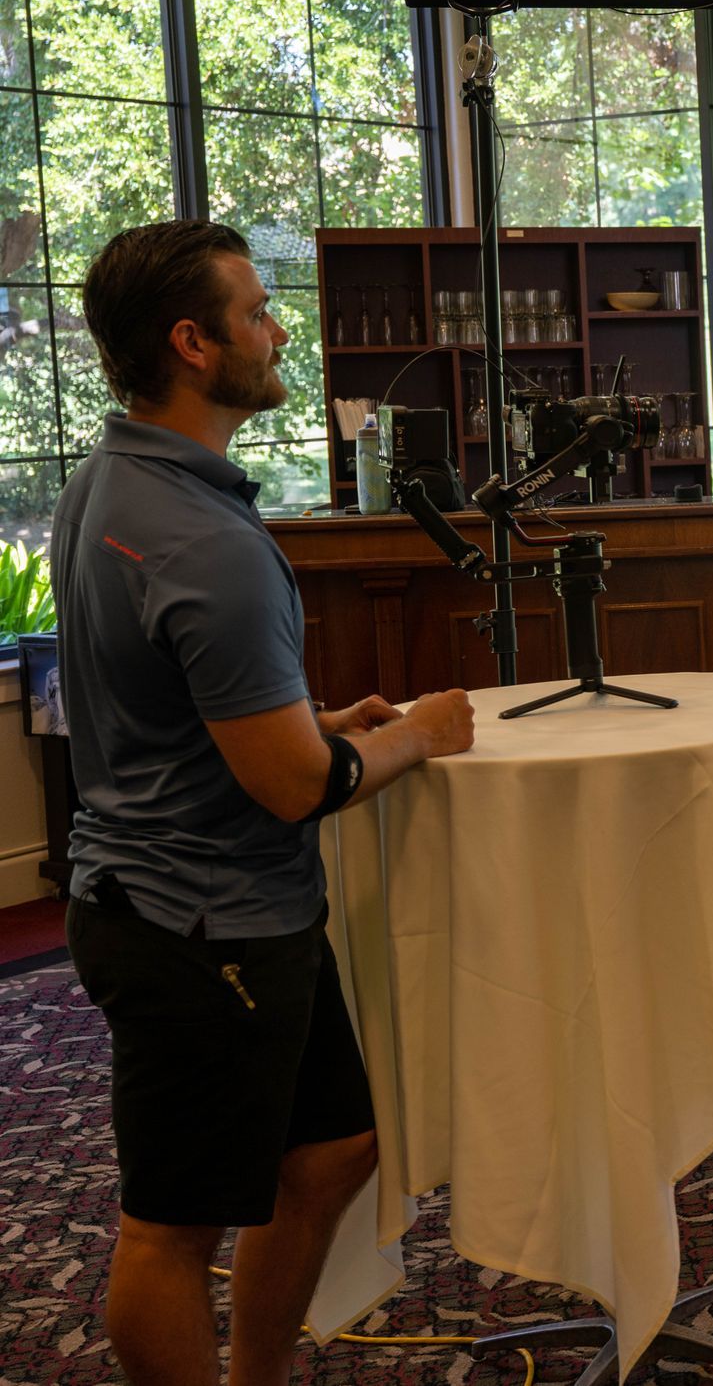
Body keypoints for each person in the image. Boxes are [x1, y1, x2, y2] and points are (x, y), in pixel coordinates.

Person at [51, 220, 477, 1386]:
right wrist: (421, 739)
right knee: (169, 1229)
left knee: (336, 1148)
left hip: (186, 902)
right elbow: (294, 789)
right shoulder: (207, 539)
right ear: (191, 344)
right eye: (256, 312)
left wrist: (317, 718)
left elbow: (171, 706)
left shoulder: (110, 478)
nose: (281, 328)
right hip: (201, 927)